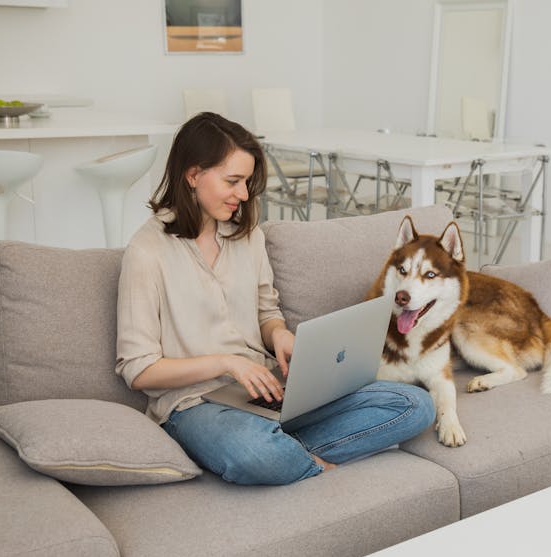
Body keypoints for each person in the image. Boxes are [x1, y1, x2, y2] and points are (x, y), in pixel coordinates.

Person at [115, 112, 435, 486]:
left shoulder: (246, 235)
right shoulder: (147, 252)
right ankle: (298, 458)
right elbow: (138, 370)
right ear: (193, 175)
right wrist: (227, 363)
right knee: (254, 452)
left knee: (415, 405)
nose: (243, 194)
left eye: (246, 182)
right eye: (232, 181)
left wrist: (280, 334)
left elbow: (267, 312)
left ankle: (286, 453)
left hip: (267, 388)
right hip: (195, 405)